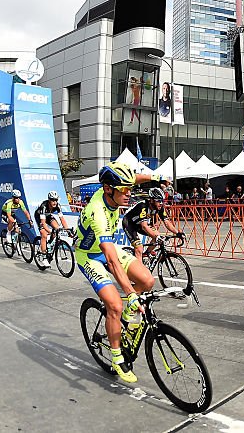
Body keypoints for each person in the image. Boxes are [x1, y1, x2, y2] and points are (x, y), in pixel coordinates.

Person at [75, 161, 164, 383]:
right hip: (89, 255)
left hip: (106, 247)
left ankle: (123, 316)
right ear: (108, 189)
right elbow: (112, 262)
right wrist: (130, 295)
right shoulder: (98, 213)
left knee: (148, 280)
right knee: (115, 304)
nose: (129, 194)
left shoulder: (116, 188)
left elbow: (135, 178)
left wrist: (156, 179)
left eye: (129, 188)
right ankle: (116, 356)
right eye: (124, 190)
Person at [35, 190, 67, 257]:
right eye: (53, 200)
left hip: (48, 216)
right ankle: (44, 256)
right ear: (49, 200)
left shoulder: (58, 206)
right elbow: (43, 223)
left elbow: (62, 219)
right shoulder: (44, 206)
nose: (55, 202)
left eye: (56, 200)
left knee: (57, 228)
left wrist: (67, 230)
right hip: (40, 217)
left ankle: (49, 244)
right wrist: (49, 231)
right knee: (44, 234)